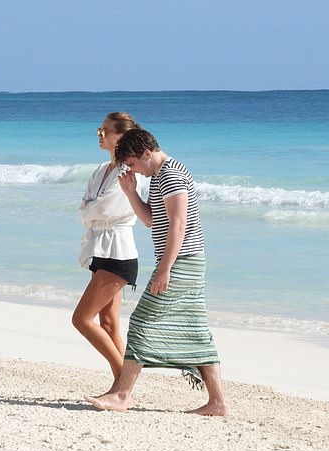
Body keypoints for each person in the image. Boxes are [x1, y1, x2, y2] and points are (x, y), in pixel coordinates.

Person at [86, 128, 229, 416]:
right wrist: (128, 192)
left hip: (181, 263)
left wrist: (164, 269)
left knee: (141, 320)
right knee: (195, 328)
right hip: (182, 261)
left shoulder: (171, 175)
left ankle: (122, 394)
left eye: (135, 164)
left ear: (147, 153)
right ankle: (218, 402)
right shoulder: (159, 176)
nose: (135, 171)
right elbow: (152, 220)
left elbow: (178, 224)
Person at [73, 112, 145, 380]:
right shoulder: (101, 171)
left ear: (121, 136)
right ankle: (124, 383)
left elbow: (104, 208)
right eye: (99, 129)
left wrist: (92, 209)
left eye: (106, 131)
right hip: (100, 251)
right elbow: (87, 209)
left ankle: (122, 381)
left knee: (81, 319)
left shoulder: (129, 171)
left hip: (118, 254)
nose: (100, 135)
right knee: (109, 323)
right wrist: (92, 209)